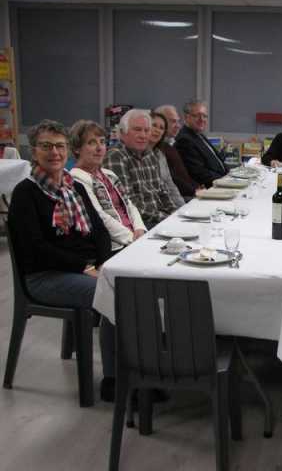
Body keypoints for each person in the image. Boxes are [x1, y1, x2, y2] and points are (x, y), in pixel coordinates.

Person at [8, 119, 116, 402]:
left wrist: (102, 263)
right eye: (46, 146)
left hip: (85, 268)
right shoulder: (25, 193)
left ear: (67, 150)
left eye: (59, 146)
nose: (54, 152)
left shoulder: (73, 187)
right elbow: (37, 249)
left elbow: (100, 230)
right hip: (45, 276)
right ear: (33, 151)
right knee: (115, 294)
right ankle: (114, 380)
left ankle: (141, 367)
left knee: (135, 284)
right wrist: (84, 267)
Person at [69, 120, 146, 251]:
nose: (99, 148)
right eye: (92, 143)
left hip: (135, 238)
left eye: (102, 142)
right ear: (77, 149)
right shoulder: (76, 178)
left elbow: (129, 204)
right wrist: (133, 238)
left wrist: (140, 228)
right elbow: (100, 217)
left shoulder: (109, 174)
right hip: (115, 247)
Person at [105, 109, 182, 229]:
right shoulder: (116, 156)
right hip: (139, 225)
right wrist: (166, 218)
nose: (143, 135)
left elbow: (163, 193)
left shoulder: (150, 155)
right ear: (123, 132)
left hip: (159, 220)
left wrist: (175, 214)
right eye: (137, 130)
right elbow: (128, 204)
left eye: (146, 130)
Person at [174, 99, 229, 188]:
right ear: (186, 117)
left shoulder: (199, 135)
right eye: (197, 116)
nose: (202, 119)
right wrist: (226, 181)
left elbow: (217, 163)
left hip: (220, 183)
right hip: (210, 188)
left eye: (204, 116)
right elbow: (199, 172)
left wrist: (231, 175)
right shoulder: (185, 140)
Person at [154, 105, 200, 198]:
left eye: (178, 121)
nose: (178, 126)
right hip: (182, 196)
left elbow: (183, 176)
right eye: (173, 121)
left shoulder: (169, 146)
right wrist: (194, 190)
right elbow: (173, 180)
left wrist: (197, 187)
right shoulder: (158, 149)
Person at [149, 112, 185, 206]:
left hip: (169, 205)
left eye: (161, 128)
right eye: (154, 125)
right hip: (156, 207)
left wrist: (182, 207)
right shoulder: (139, 154)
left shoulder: (160, 154)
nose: (157, 130)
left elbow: (171, 185)